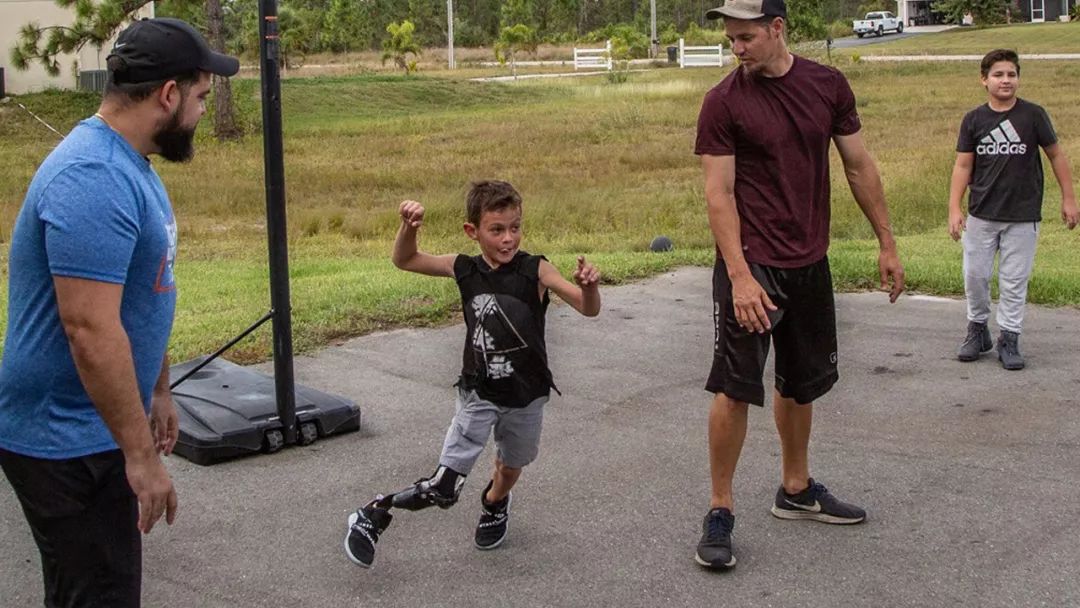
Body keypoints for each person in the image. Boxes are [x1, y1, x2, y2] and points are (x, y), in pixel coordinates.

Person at [0, 18, 239, 607]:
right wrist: (140, 458)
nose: (203, 112)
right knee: (98, 596)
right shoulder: (93, 176)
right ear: (167, 94)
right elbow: (89, 329)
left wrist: (158, 389)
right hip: (63, 437)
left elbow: (145, 291)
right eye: (201, 97)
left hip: (95, 420)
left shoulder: (131, 161)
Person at [693, 0, 905, 570]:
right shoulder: (723, 102)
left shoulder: (827, 84)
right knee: (735, 386)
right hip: (751, 263)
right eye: (730, 40)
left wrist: (886, 241)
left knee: (800, 382)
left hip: (809, 260)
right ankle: (720, 509)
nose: (736, 49)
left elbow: (859, 166)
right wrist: (738, 277)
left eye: (746, 37)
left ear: (777, 28)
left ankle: (795, 487)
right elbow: (720, 195)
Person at [344, 180, 601, 568]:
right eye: (497, 230)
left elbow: (587, 307)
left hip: (527, 395)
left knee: (511, 466)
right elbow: (405, 260)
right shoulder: (463, 269)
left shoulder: (536, 269)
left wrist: (590, 287)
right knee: (443, 489)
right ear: (473, 231)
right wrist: (408, 228)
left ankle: (495, 502)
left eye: (515, 227)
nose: (508, 238)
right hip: (478, 395)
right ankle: (373, 513)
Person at [948, 48, 1077, 370]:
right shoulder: (974, 119)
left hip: (1022, 215)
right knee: (975, 275)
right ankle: (977, 330)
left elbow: (1056, 156)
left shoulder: (1033, 116)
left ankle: (1010, 337)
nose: (1006, 80)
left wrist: (1069, 198)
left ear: (1018, 78)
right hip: (982, 213)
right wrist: (954, 207)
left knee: (1014, 280)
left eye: (1011, 74)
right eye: (998, 74)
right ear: (984, 80)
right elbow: (963, 165)